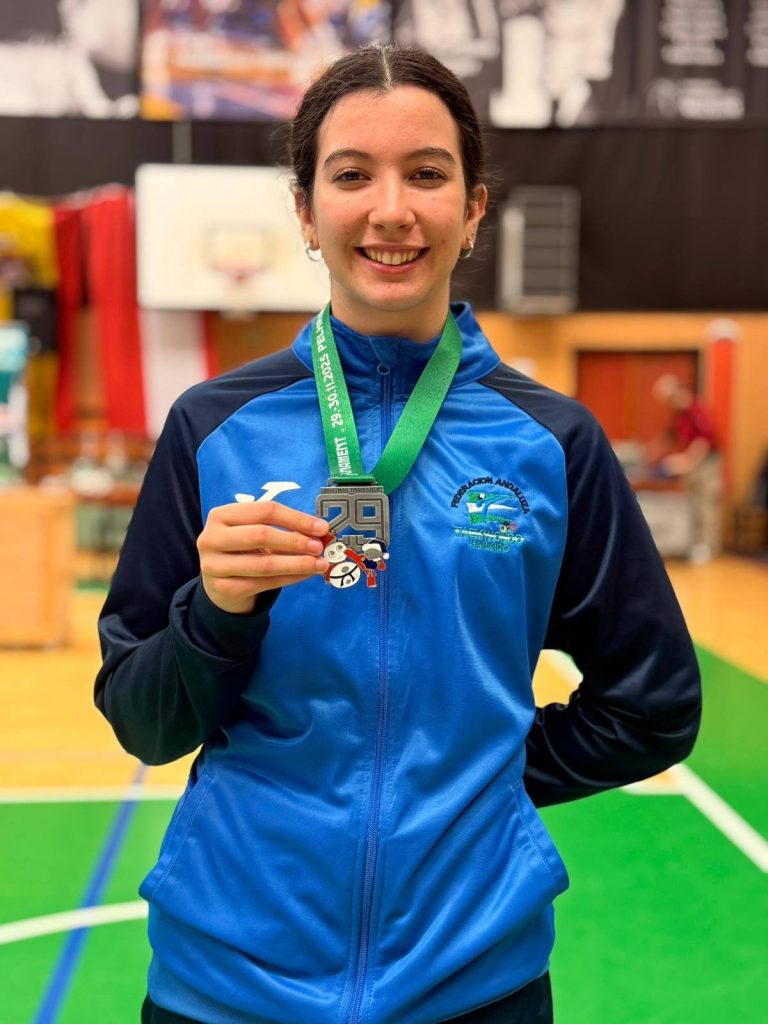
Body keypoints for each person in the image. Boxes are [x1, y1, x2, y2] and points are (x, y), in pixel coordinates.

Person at [95, 44, 701, 1024]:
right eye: (351, 176)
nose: (390, 210)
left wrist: (478, 787)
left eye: (426, 174)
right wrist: (215, 612)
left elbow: (653, 706)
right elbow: (144, 723)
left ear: (473, 209)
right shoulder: (213, 428)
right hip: (227, 981)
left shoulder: (552, 444)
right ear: (305, 211)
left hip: (476, 981)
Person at [646, 372, 722, 562]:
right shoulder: (679, 414)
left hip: (706, 463)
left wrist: (686, 461)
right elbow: (670, 435)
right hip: (693, 464)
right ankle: (695, 543)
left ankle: (708, 546)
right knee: (693, 504)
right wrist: (652, 450)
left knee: (706, 504)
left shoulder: (696, 409)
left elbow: (704, 440)